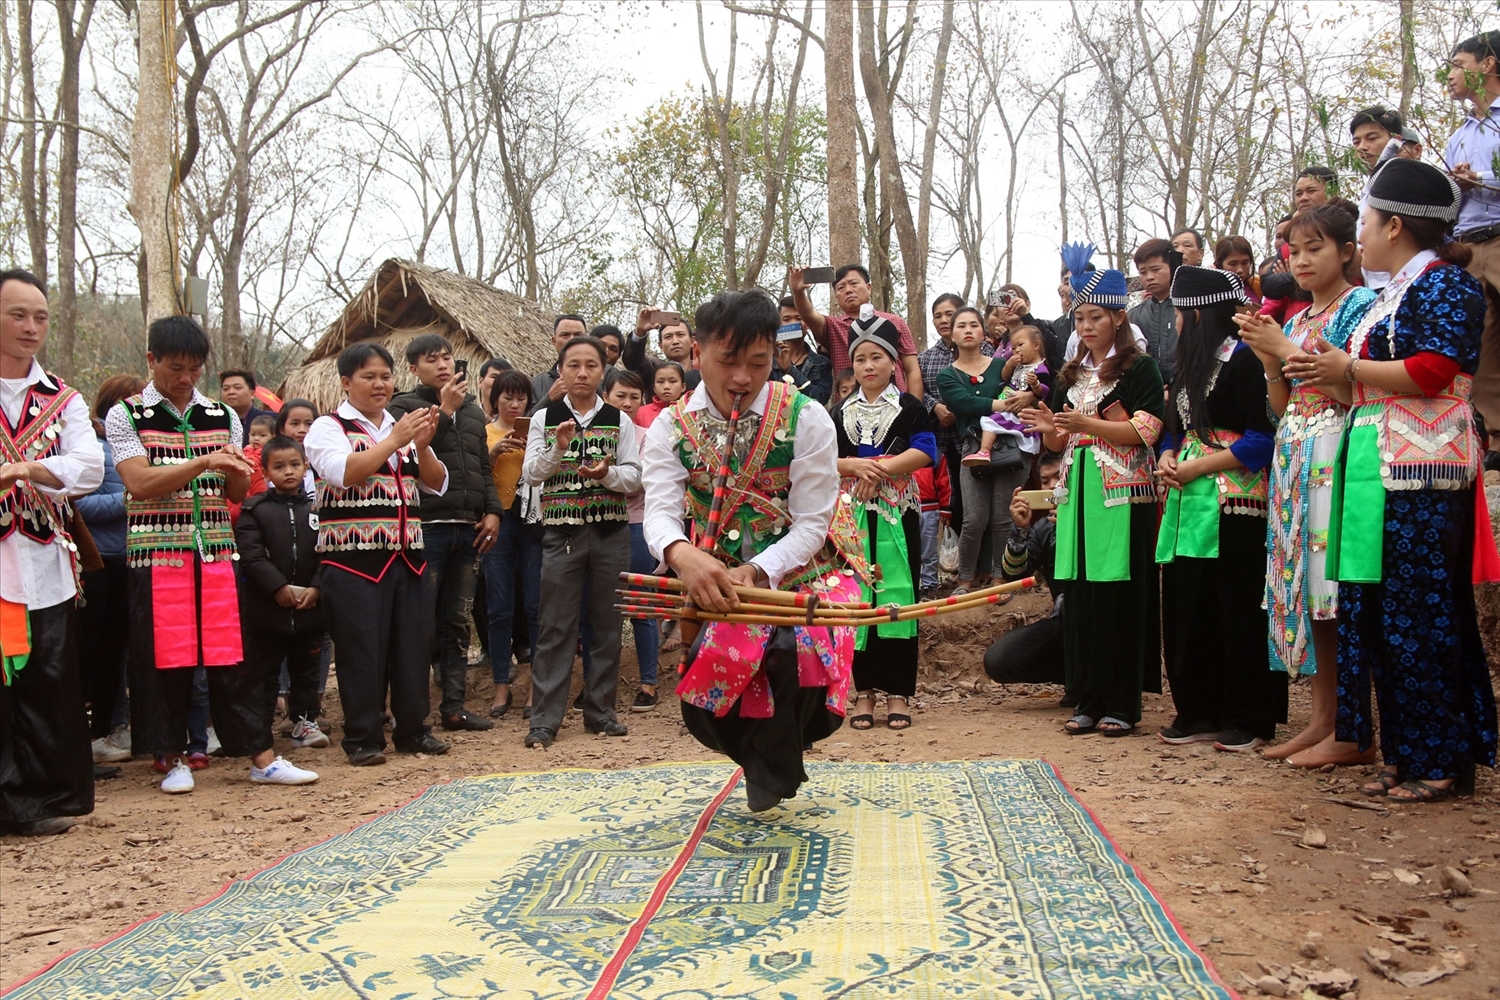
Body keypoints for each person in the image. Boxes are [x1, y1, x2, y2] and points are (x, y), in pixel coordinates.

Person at [1305, 158, 1498, 801]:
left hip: (1424, 469)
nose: (1358, 234)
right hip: (1374, 464)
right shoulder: (1394, 290)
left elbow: (1435, 369)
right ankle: (1405, 750)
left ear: (1393, 225)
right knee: (1378, 608)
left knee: (1421, 610)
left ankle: (1441, 757)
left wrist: (1348, 370)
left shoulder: (1446, 286)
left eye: (1362, 221)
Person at [641, 290, 862, 811]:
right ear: (697, 353)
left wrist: (760, 570)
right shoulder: (670, 428)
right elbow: (660, 513)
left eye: (759, 363)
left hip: (811, 571)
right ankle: (774, 764)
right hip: (715, 577)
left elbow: (813, 522)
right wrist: (681, 554)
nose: (742, 377)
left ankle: (774, 769)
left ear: (775, 357)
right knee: (709, 681)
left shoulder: (807, 418)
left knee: (793, 652)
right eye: (728, 360)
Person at [108, 315, 316, 792]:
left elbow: (238, 488)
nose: (185, 379)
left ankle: (261, 756)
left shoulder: (221, 416)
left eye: (194, 369)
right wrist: (203, 461)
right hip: (158, 552)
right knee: (167, 657)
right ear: (151, 361)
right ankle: (173, 756)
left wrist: (237, 468)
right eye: (176, 368)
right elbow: (139, 484)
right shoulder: (128, 414)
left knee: (232, 656)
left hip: (217, 551)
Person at [1235, 203, 1377, 766]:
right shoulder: (1293, 321)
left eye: (1315, 248)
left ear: (1347, 251)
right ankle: (1322, 720)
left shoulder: (1360, 309)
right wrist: (1270, 359)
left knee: (1334, 587)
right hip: (1294, 453)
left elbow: (1354, 393)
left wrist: (1282, 350)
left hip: (1336, 452)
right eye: (1294, 250)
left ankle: (1351, 725)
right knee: (1308, 590)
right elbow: (1281, 406)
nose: (1301, 260)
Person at [1021, 263, 1165, 738]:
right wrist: (1051, 431)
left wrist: (1089, 427)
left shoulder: (1139, 367)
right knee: (1080, 597)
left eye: (1096, 317)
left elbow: (1145, 430)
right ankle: (1087, 697)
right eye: (1080, 318)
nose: (1086, 326)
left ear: (1119, 318)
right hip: (1078, 493)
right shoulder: (1071, 374)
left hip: (1123, 496)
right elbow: (1061, 442)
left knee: (1118, 596)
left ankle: (1122, 702)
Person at [1154, 266, 1285, 753]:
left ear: (1201, 313)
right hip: (1189, 499)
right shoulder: (1190, 366)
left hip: (1236, 500)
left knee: (1236, 604)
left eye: (1182, 314)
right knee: (1189, 603)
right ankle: (1197, 708)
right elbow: (1175, 427)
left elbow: (1262, 437)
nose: (1177, 325)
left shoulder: (1247, 360)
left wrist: (1199, 466)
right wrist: (1169, 454)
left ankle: (1247, 714)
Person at [303, 342, 451, 767]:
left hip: (408, 556)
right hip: (352, 560)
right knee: (361, 650)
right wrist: (395, 440)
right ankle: (363, 737)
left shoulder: (399, 426)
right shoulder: (327, 427)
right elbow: (344, 473)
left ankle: (413, 730)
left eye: (385, 375)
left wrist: (421, 446)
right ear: (347, 382)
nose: (380, 384)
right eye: (369, 376)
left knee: (412, 647)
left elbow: (437, 483)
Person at [0, 268, 105, 834]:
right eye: (18, 314)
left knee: (49, 678)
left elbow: (88, 468)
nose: (31, 327)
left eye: (40, 316)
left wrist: (30, 467)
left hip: (44, 561)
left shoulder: (61, 398)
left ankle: (49, 799)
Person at [520, 335, 641, 748]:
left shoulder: (619, 419)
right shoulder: (544, 417)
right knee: (555, 626)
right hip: (561, 533)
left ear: (603, 371)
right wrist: (558, 447)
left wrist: (606, 474)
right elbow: (532, 473)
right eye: (574, 365)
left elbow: (634, 476)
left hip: (610, 533)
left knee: (606, 625)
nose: (583, 373)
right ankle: (544, 720)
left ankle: (601, 712)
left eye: (591, 365)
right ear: (561, 371)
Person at [387, 334, 503, 732]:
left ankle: (454, 708)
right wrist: (446, 411)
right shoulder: (403, 408)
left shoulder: (474, 413)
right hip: (425, 528)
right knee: (420, 621)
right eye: (430, 359)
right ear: (414, 368)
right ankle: (414, 715)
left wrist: (492, 511)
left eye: (446, 357)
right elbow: (412, 458)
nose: (442, 364)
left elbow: (481, 468)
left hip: (467, 528)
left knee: (458, 620)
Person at [834, 311, 935, 730]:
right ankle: (863, 691)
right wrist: (857, 467)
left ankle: (898, 692)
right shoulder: (838, 411)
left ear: (893, 362)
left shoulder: (909, 408)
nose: (868, 366)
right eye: (860, 360)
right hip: (853, 519)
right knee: (857, 596)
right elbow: (824, 458)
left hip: (898, 514)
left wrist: (883, 468)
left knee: (898, 595)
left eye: (877, 358)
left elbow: (927, 451)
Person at [235, 436, 331, 752]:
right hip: (267, 608)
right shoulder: (255, 510)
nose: (288, 472)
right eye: (278, 466)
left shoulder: (319, 508)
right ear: (264, 472)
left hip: (310, 607)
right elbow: (250, 554)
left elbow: (327, 551)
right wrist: (276, 586)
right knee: (264, 670)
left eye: (294, 465)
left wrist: (317, 587)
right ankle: (258, 730)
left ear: (306, 466)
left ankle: (304, 722)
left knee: (306, 670)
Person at [77, 374, 145, 771]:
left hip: (132, 561)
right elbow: (78, 507)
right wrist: (132, 496)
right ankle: (86, 732)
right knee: (88, 649)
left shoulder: (142, 447)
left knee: (115, 651)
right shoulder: (95, 450)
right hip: (97, 562)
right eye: (129, 402)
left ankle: (109, 728)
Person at [938, 307, 1029, 596]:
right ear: (951, 334)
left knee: (1003, 516)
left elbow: (1024, 387)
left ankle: (1001, 578)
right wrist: (1002, 404)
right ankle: (966, 580)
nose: (967, 330)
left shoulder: (1003, 364)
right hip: (973, 446)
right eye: (961, 325)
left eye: (974, 325)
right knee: (973, 518)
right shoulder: (946, 375)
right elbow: (963, 403)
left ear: (983, 332)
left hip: (1011, 445)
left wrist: (1027, 396)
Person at [1445, 31, 1500, 442]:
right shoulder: (1457, 136)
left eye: (1458, 64)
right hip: (1469, 243)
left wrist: (1479, 176)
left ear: (1487, 64)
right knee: (1482, 346)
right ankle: (1497, 436)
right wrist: (1455, 188)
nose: (1450, 75)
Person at [481, 369, 539, 718]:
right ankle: (501, 685)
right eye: (508, 397)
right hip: (497, 522)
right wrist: (493, 452)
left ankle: (536, 686)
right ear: (495, 400)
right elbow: (473, 478)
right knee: (498, 608)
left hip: (534, 524)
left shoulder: (538, 432)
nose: (515, 404)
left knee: (535, 606)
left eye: (521, 398)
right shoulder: (483, 433)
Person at [602, 369, 660, 711]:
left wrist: (604, 477)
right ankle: (599, 684)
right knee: (600, 610)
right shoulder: (591, 434)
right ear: (605, 396)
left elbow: (642, 483)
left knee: (641, 606)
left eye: (634, 397)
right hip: (599, 527)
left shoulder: (647, 436)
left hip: (637, 525)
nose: (626, 403)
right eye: (620, 395)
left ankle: (648, 682)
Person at [982, 452, 1066, 687]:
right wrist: (1020, 529)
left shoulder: (1095, 519)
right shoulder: (1044, 528)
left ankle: (1092, 684)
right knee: (998, 659)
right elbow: (1015, 574)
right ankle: (1072, 678)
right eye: (1045, 481)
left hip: (1097, 622)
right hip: (1063, 622)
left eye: (1058, 477)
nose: (1051, 486)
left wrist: (1075, 526)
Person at [790, 265, 922, 398]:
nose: (848, 290)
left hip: (896, 405)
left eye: (854, 284)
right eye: (841, 288)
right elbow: (809, 315)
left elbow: (912, 369)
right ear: (836, 296)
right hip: (849, 409)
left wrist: (915, 409)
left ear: (869, 288)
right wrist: (797, 291)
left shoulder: (895, 322)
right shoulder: (832, 327)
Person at [963, 325, 1051, 468]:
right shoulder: (1018, 366)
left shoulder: (1041, 369)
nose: (1017, 350)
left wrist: (1035, 384)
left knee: (990, 421)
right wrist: (1009, 365)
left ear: (1036, 345)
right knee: (990, 419)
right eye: (1014, 347)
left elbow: (1043, 392)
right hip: (1007, 403)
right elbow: (1004, 376)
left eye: (1021, 345)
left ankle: (984, 450)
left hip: (1023, 411)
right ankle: (984, 451)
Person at [1128, 238, 1181, 385]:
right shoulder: (1133, 316)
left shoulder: (1188, 310)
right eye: (1143, 272)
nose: (1149, 277)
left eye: (1155, 269)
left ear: (1173, 266)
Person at [625, 309, 702, 396]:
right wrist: (640, 331)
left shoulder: (704, 371)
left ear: (692, 341)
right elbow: (633, 360)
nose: (675, 341)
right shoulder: (654, 369)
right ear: (661, 346)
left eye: (680, 335)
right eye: (668, 337)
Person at [531, 314, 589, 411]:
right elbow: (523, 423)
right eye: (565, 335)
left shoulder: (601, 379)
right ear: (554, 341)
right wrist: (548, 399)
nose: (572, 339)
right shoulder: (538, 383)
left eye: (578, 335)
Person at [914, 448, 951, 599]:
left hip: (930, 508)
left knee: (928, 551)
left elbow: (945, 482)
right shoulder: (899, 450)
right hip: (905, 507)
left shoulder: (935, 454)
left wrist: (946, 509)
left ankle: (929, 586)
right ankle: (912, 585)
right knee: (908, 550)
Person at [1349, 105, 1422, 175]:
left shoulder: (1424, 182)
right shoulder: (1371, 186)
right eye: (1356, 142)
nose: (1361, 147)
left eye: (1372, 138)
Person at [219, 369, 271, 446]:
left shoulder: (271, 419)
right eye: (226, 389)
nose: (231, 392)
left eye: (237, 388)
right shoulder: (214, 422)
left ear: (252, 394)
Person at [634, 362, 687, 429]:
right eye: (661, 382)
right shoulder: (639, 413)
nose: (666, 386)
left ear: (683, 387)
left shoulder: (691, 413)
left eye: (672, 381)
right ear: (654, 388)